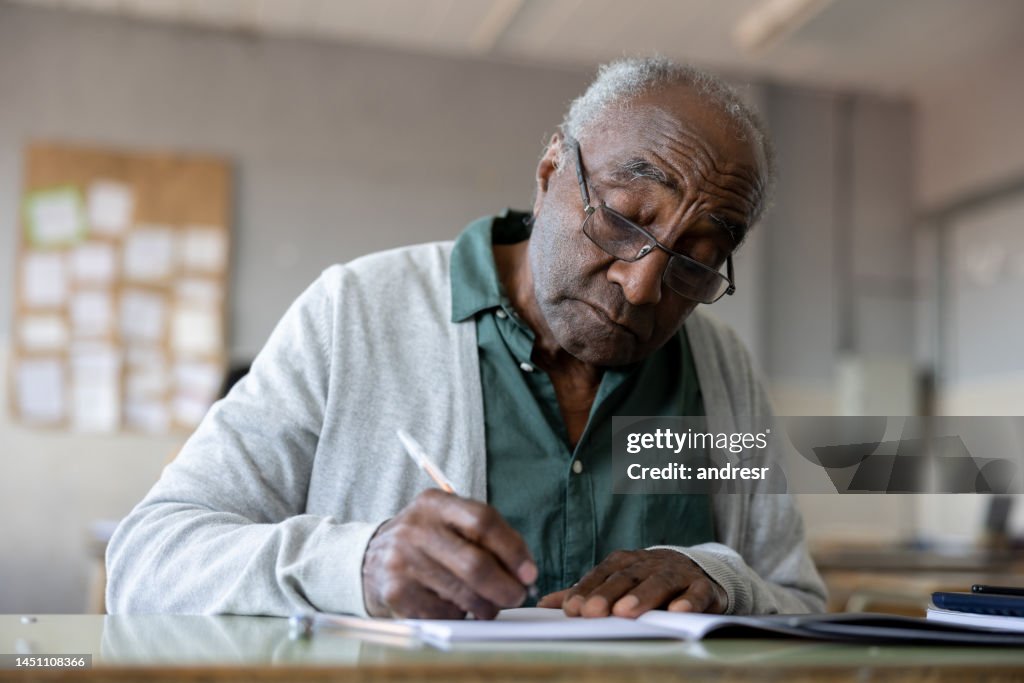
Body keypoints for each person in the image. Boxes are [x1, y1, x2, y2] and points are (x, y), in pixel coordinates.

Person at [106, 58, 826, 620]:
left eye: (696, 260)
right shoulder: (356, 314)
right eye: (624, 220)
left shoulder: (718, 368)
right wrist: (356, 564)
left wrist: (717, 578)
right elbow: (148, 558)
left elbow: (794, 597)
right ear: (550, 173)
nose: (642, 288)